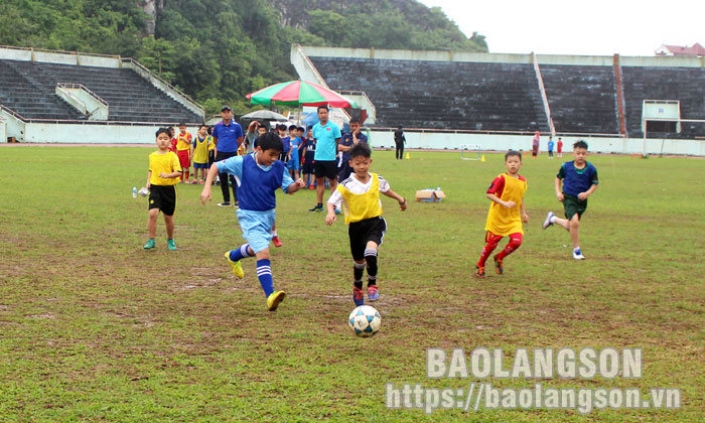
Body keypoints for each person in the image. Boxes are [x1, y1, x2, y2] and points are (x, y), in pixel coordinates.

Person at [200, 132, 306, 311]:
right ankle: (270, 295)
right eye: (270, 154)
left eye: (277, 155)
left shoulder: (279, 167)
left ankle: (233, 256)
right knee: (263, 253)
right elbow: (215, 166)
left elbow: (288, 188)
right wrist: (207, 188)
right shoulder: (242, 162)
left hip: (268, 215)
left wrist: (297, 185)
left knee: (256, 248)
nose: (274, 158)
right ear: (258, 149)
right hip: (248, 215)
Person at [325, 143, 407, 306]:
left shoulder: (378, 180)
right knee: (359, 262)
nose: (361, 167)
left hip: (375, 223)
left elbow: (387, 191)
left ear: (370, 162)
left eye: (364, 163)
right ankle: (357, 286)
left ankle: (372, 284)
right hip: (355, 228)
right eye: (357, 163)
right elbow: (331, 201)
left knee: (370, 252)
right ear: (351, 164)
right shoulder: (346, 184)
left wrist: (401, 199)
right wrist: (331, 212)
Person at [475, 150, 529, 277]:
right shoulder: (501, 178)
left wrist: (524, 213)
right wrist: (503, 203)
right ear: (505, 164)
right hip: (498, 217)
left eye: (516, 162)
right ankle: (481, 264)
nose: (513, 165)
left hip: (513, 218)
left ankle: (499, 257)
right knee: (492, 244)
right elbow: (489, 194)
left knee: (517, 241)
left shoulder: (523, 181)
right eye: (510, 162)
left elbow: (520, 197)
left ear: (521, 164)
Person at [542, 140, 599, 260]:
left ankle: (552, 218)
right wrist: (558, 192)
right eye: (578, 153)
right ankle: (576, 250)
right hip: (568, 198)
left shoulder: (591, 169)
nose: (580, 156)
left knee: (571, 226)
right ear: (573, 153)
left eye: (583, 153)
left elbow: (595, 184)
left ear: (586, 154)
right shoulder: (566, 166)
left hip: (582, 201)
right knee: (575, 223)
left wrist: (587, 193)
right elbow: (558, 178)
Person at [144, 128, 182, 251]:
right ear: (156, 140)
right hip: (155, 188)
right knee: (152, 213)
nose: (162, 141)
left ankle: (170, 239)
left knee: (168, 217)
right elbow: (151, 170)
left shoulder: (173, 156)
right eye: (160, 139)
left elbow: (178, 172)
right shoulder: (152, 156)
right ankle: (151, 240)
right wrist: (148, 182)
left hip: (168, 189)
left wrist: (168, 175)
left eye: (165, 139)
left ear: (170, 140)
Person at [309, 106, 342, 212]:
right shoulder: (315, 127)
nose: (323, 115)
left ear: (328, 114)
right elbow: (315, 140)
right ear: (318, 114)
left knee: (333, 182)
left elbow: (338, 142)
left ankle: (334, 205)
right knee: (319, 182)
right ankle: (319, 205)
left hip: (330, 159)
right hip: (318, 158)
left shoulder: (334, 127)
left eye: (325, 113)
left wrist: (336, 153)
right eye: (321, 113)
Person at [212, 105, 244, 207]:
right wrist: (221, 146)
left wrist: (233, 147)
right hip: (221, 153)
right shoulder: (217, 126)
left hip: (232, 153)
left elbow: (240, 139)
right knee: (222, 177)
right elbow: (215, 140)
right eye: (224, 112)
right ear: (221, 114)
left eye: (228, 112)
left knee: (234, 177)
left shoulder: (236, 126)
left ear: (231, 113)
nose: (226, 114)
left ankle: (237, 200)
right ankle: (226, 200)